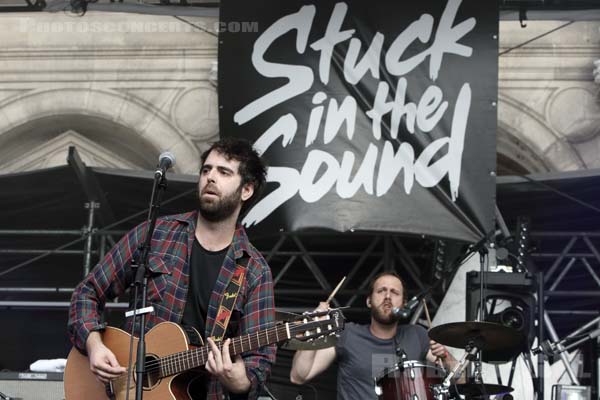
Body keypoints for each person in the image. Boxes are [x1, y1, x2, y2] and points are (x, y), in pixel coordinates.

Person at [67, 137, 276, 400]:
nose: (210, 178)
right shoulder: (155, 235)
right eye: (206, 170)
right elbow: (88, 292)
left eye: (224, 172)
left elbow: (260, 362)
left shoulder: (254, 270)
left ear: (246, 190)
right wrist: (94, 345)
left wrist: (238, 380)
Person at [290, 271, 458, 400]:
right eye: (381, 291)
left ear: (404, 303)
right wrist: (313, 328)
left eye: (394, 292)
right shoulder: (347, 334)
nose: (387, 297)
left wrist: (445, 355)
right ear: (369, 301)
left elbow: (460, 379)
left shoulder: (417, 335)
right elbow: (299, 376)